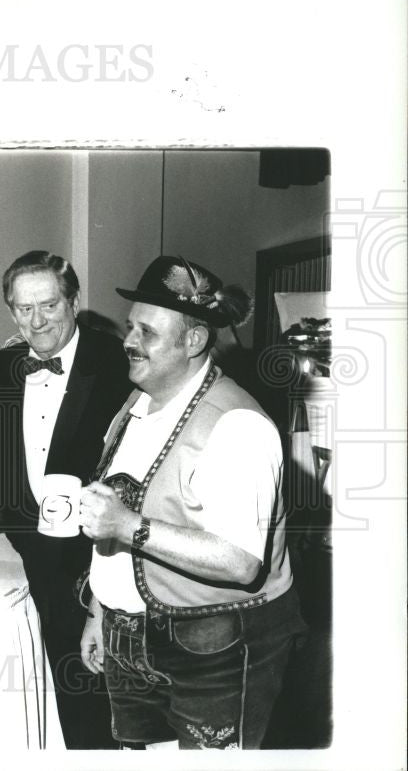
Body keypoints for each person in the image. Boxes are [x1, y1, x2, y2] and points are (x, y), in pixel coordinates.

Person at [78, 256, 305, 750]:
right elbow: (116, 511)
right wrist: (101, 611)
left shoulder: (238, 426)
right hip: (128, 640)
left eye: (146, 332)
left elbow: (240, 562)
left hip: (215, 651)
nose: (128, 340)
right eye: (129, 327)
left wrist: (128, 526)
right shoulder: (136, 405)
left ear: (194, 341)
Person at [0, 250, 132, 749]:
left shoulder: (115, 361)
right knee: (57, 674)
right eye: (24, 309)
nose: (37, 321)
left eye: (48, 305)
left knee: (111, 684)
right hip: (33, 546)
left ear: (73, 300)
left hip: (100, 550)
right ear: (10, 311)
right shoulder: (1, 367)